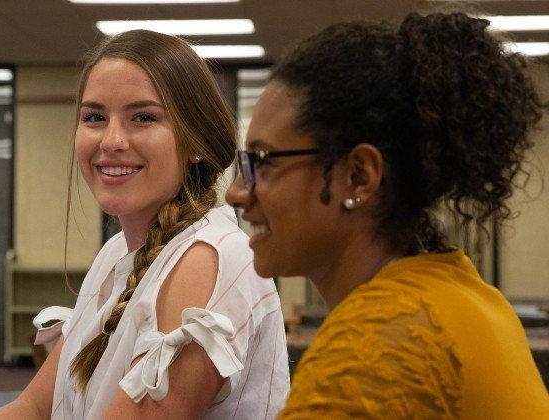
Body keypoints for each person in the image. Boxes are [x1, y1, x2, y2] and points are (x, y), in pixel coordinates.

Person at [225, 12, 549, 419]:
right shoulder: (463, 293)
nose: (236, 193)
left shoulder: (375, 345)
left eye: (262, 161)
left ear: (359, 176)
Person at [0, 30, 289, 419]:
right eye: (94, 117)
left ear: (195, 141)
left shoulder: (207, 259)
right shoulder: (118, 252)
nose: (112, 140)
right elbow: (31, 407)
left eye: (143, 117)